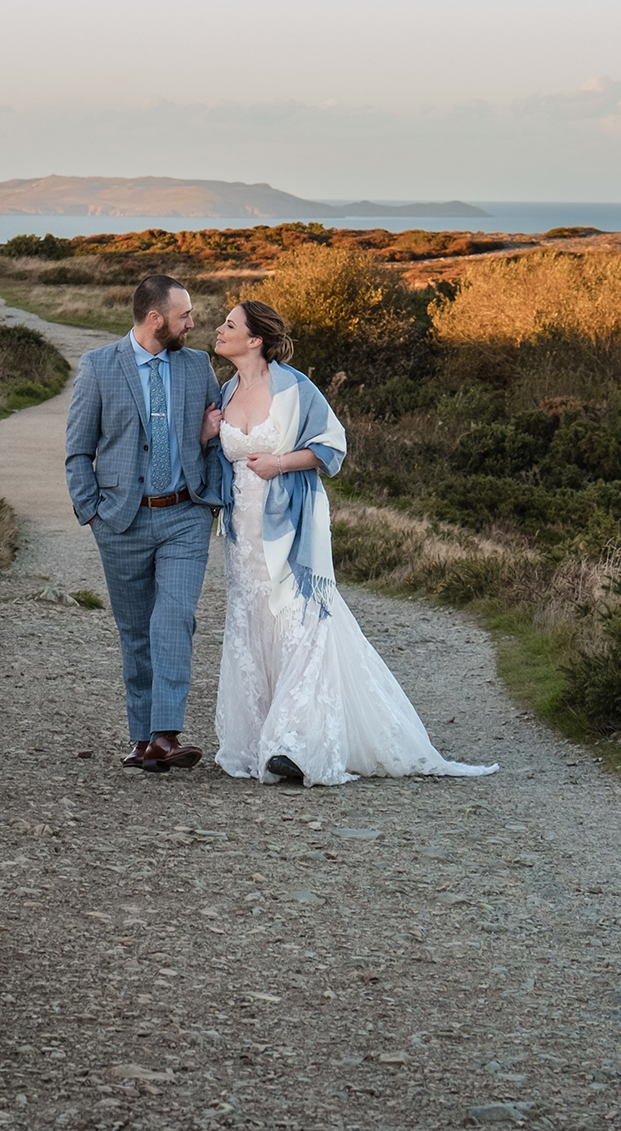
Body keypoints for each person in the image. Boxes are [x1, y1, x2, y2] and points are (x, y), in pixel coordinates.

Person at [208, 298, 497, 786]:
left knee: (302, 624)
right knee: (253, 622)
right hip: (243, 536)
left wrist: (280, 464)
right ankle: (260, 737)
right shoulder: (228, 388)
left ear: (254, 339)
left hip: (293, 528)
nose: (219, 329)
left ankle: (295, 746)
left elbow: (332, 446)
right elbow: (219, 455)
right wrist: (206, 433)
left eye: (229, 324)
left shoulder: (295, 388)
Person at [65, 272, 232, 772]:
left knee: (173, 618)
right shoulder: (98, 367)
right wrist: (92, 512)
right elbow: (77, 450)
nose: (193, 323)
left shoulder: (198, 365)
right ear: (155, 318)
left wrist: (208, 465)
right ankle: (142, 740)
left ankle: (165, 734)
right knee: (135, 630)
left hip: (185, 514)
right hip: (121, 521)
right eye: (184, 315)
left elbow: (216, 435)